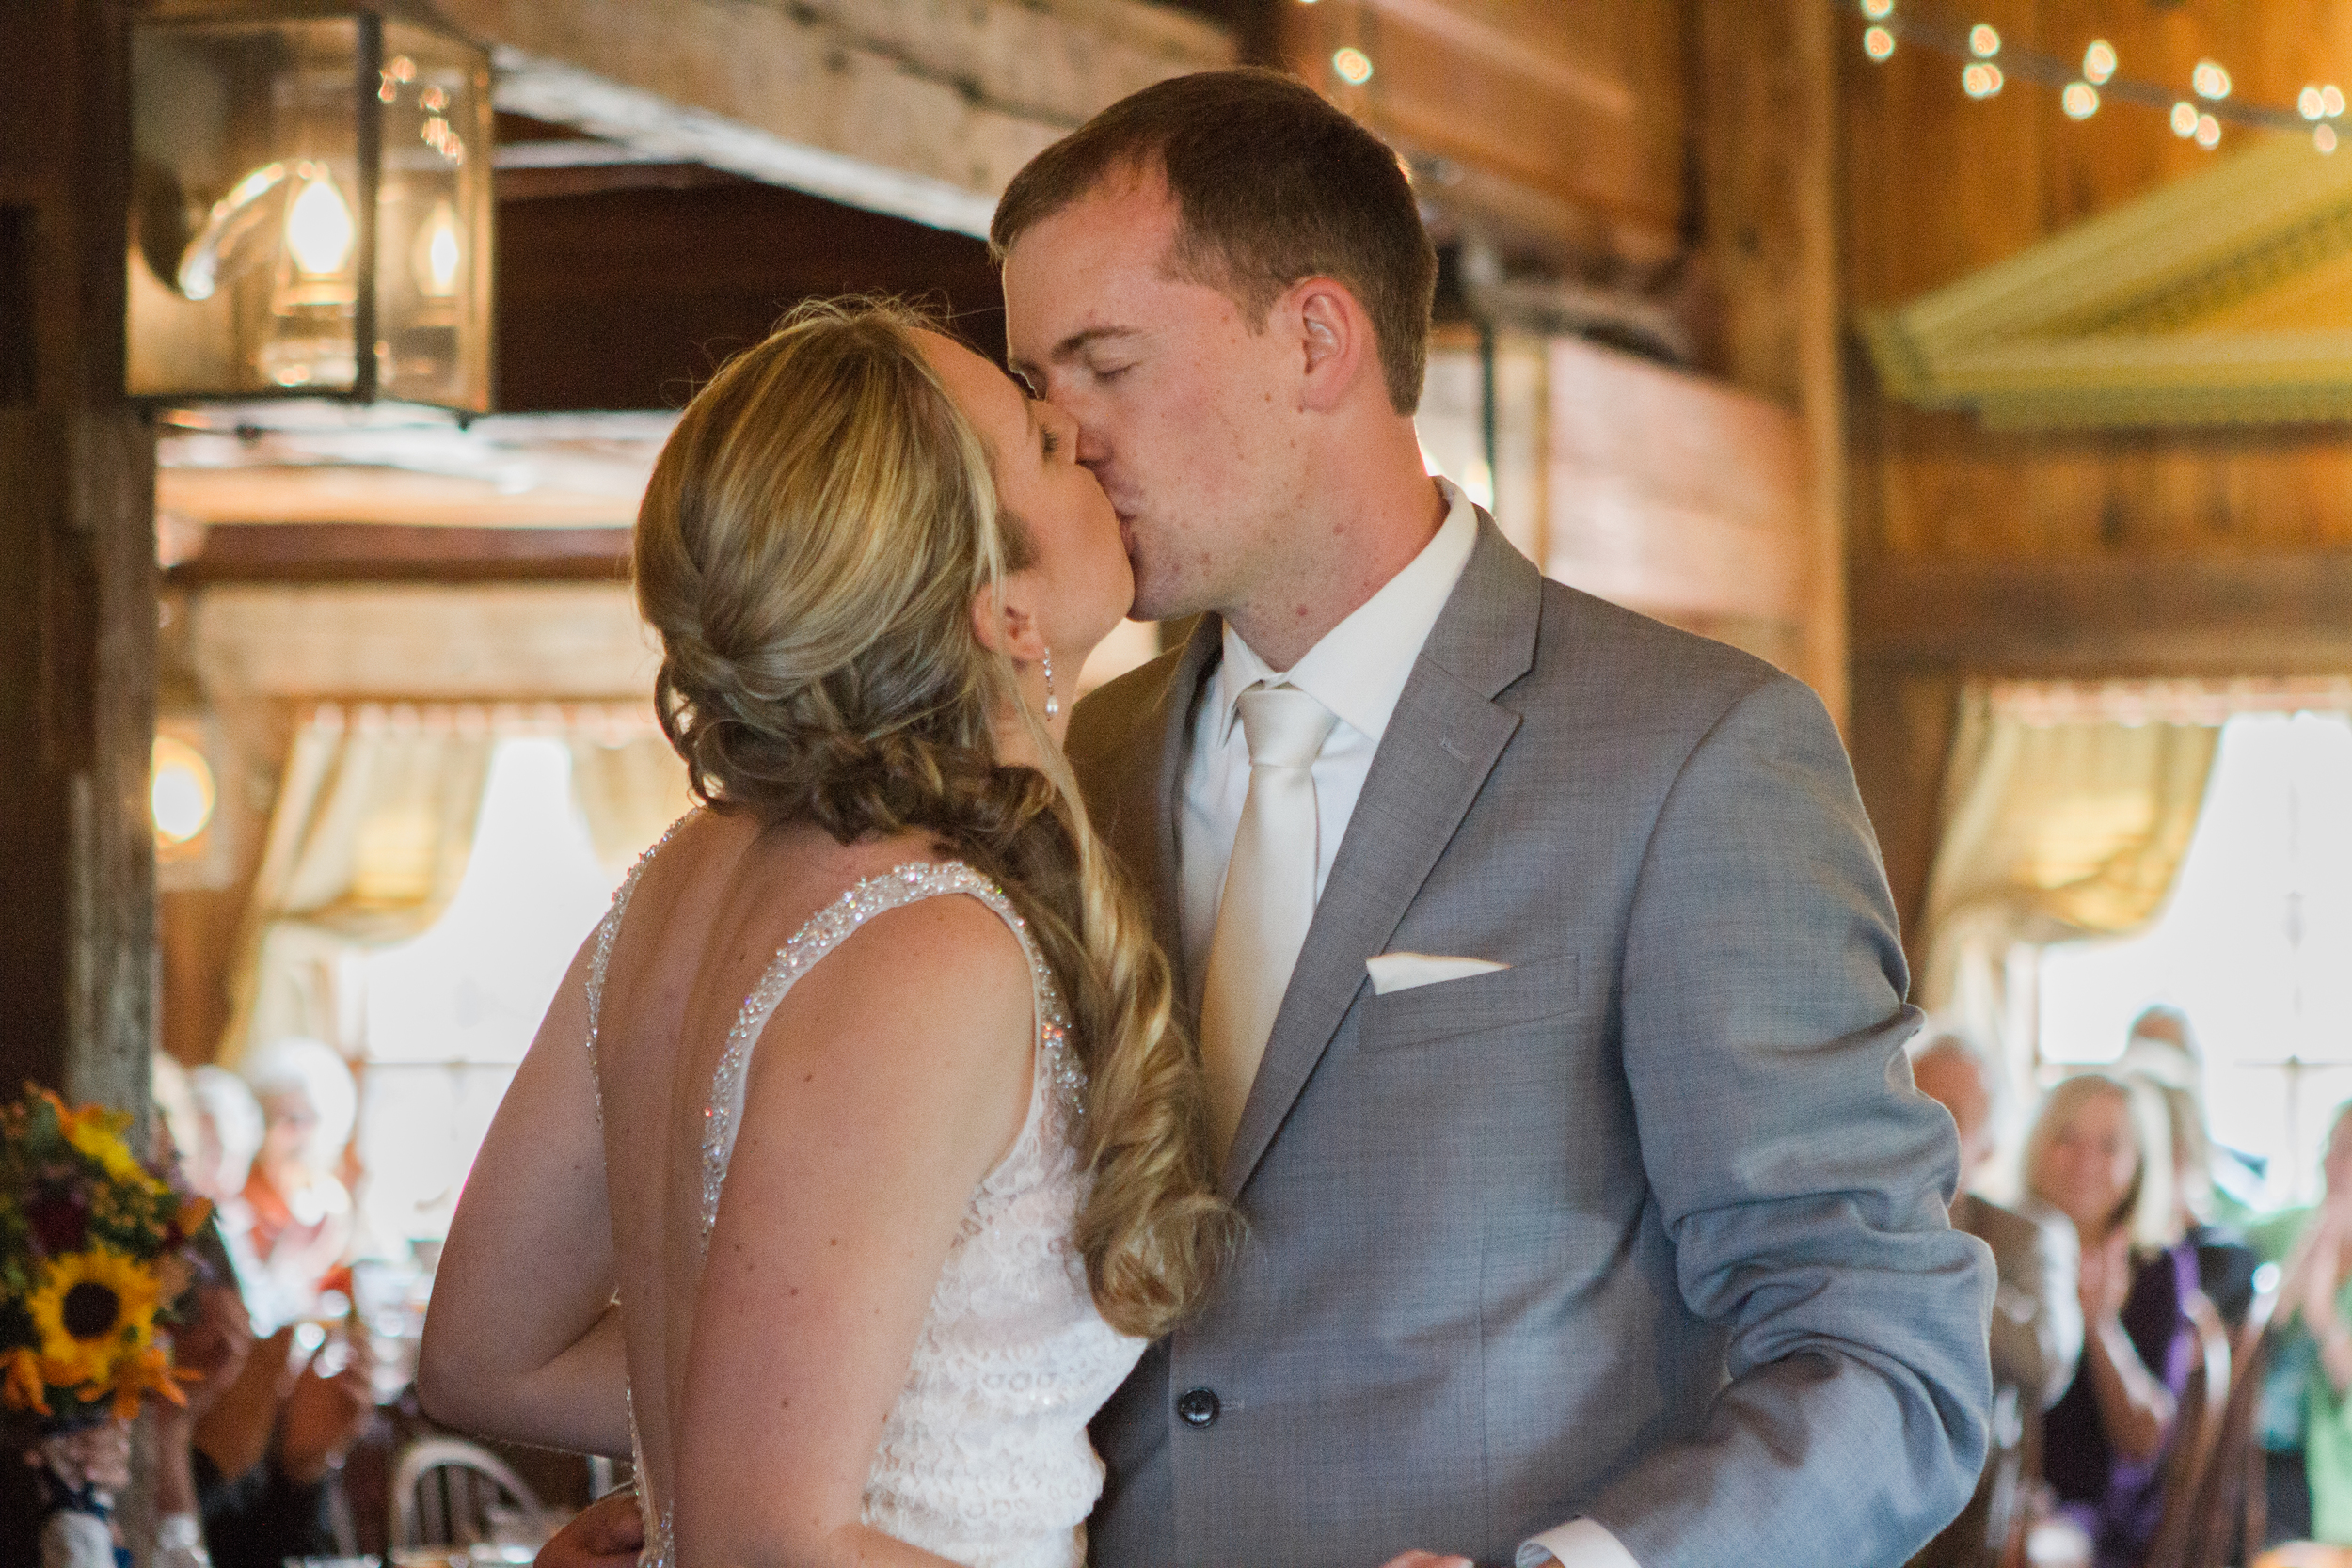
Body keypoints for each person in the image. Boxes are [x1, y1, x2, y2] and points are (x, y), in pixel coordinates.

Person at [532, 69, 1991, 1568]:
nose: (1070, 439)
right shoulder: (1063, 766)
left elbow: (1888, 1355)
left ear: (1314, 340)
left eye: (1105, 365)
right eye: (1040, 394)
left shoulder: (1696, 756)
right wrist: (720, 1499)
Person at [418, 301, 1237, 1568]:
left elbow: (489, 1354)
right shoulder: (932, 953)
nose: (1077, 423)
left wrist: (724, 1438)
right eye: (1040, 436)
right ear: (995, 604)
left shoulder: (678, 878)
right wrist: (736, 1496)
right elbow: (774, 1543)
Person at [1909, 1035, 2083, 1568]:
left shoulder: (2026, 1235)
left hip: (1965, 1508)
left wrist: (1931, 1252)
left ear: (1987, 1145)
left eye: (1953, 1115)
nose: (1925, 1128)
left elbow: (2045, 1361)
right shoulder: (1850, 1226)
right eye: (1914, 1105)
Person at [2026, 1073, 2196, 1568]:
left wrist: (2098, 1321)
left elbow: (2144, 1441)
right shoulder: (2007, 1245)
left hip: (2100, 1518)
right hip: (2006, 1487)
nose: (2084, 1162)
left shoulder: (2155, 1267)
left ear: (2137, 1165)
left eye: (2109, 1147)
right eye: (2066, 1138)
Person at [2253, 1101, 2352, 1544]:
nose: (2335, 1165)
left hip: (2328, 1486)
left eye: (2349, 1152)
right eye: (2331, 1149)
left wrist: (2321, 1313)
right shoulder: (2291, 1227)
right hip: (2256, 1456)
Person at [237, 1038, 356, 1325]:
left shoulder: (329, 1199)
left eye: (303, 1119)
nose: (292, 1133)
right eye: (278, 1118)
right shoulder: (243, 1194)